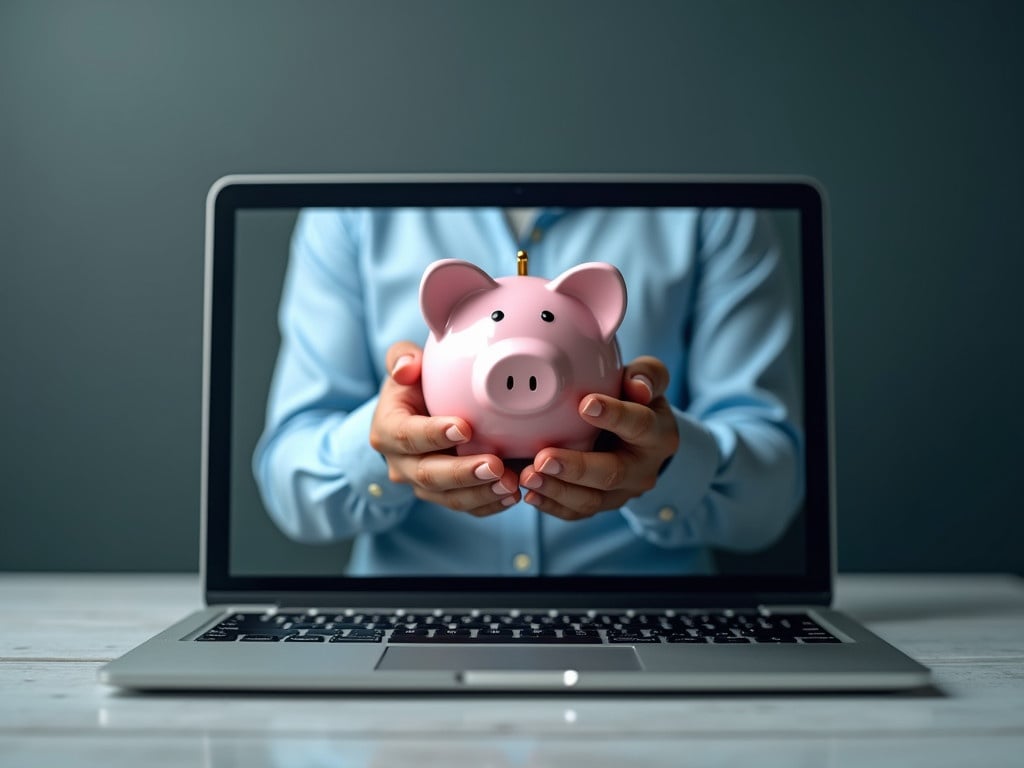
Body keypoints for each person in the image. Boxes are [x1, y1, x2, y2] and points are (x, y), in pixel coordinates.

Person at [253, 207, 803, 575]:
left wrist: (664, 461)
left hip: (641, 611)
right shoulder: (352, 215)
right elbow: (289, 483)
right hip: (413, 614)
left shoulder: (710, 213)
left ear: (597, 307)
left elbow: (771, 493)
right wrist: (383, 452)